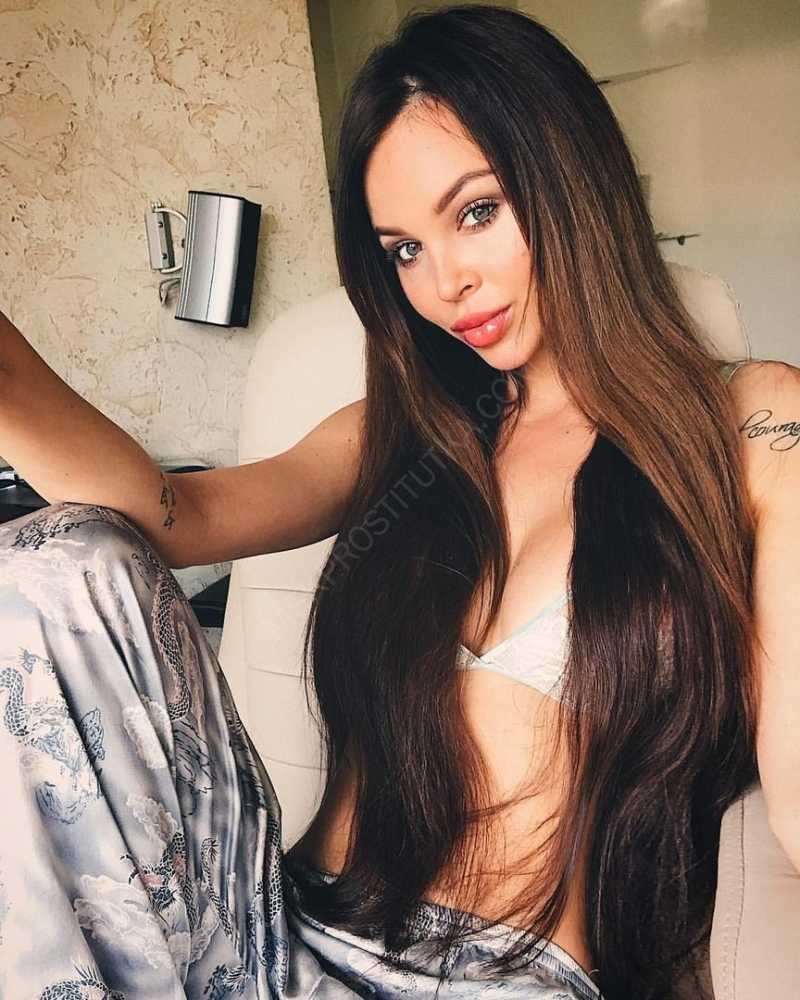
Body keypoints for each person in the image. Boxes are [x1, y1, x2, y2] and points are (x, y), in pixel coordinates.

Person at [0, 4, 798, 999]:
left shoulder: (749, 426)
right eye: (403, 250)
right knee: (58, 560)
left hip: (498, 977)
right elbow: (174, 517)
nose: (444, 282)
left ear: (571, 178)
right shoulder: (407, 430)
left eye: (477, 212)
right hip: (272, 942)